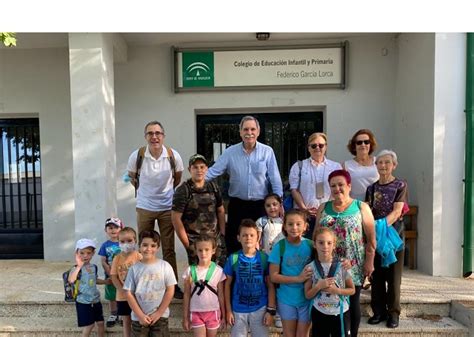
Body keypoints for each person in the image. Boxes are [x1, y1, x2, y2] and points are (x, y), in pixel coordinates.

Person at [206, 116, 283, 254]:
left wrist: (279, 203)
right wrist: (195, 180)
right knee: (235, 243)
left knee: (261, 244)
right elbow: (214, 171)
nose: (249, 132)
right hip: (237, 206)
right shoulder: (230, 152)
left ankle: (259, 274)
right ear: (240, 132)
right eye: (246, 129)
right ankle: (235, 274)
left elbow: (275, 179)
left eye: (253, 129)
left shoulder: (267, 151)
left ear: (258, 131)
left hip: (260, 206)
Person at [127, 120, 184, 299]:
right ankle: (143, 282)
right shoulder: (137, 155)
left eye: (158, 133)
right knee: (144, 247)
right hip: (144, 207)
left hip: (167, 208)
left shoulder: (173, 155)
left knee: (168, 248)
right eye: (150, 133)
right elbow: (132, 177)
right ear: (145, 136)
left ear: (163, 135)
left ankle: (172, 285)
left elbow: (178, 178)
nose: (154, 136)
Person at [315, 169, 376, 337]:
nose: (337, 189)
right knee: (328, 300)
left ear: (349, 186)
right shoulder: (324, 207)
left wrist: (369, 262)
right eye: (333, 186)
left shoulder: (361, 207)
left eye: (341, 184)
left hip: (352, 264)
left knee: (352, 301)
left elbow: (371, 239)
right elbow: (315, 235)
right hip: (327, 264)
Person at [365, 150, 408, 329]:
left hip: (393, 236)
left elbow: (397, 211)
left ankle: (393, 313)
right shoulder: (371, 188)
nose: (383, 166)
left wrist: (379, 227)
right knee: (376, 275)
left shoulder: (400, 185)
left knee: (393, 276)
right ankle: (378, 311)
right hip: (375, 236)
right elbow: (366, 211)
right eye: (380, 163)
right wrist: (371, 231)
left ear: (394, 165)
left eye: (387, 163)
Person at [224, 219, 276, 337]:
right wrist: (228, 310)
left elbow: (270, 285)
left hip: (260, 309)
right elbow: (226, 285)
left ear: (257, 237)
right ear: (239, 238)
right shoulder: (233, 258)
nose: (248, 238)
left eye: (252, 235)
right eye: (244, 235)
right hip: (238, 309)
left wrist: (270, 310)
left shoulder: (264, 258)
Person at [172, 154, 227, 267]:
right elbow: (176, 218)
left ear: (206, 169)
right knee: (198, 278)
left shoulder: (213, 187)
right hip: (195, 243)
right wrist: (187, 244)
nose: (199, 170)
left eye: (202, 167)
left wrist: (222, 234)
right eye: (195, 167)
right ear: (189, 169)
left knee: (219, 274)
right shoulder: (183, 190)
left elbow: (221, 211)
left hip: (214, 241)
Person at [124, 230, 177, 337]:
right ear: (139, 246)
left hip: (160, 318)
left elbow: (170, 290)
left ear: (158, 247)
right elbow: (129, 293)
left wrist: (159, 313)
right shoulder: (134, 269)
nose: (148, 249)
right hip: (138, 319)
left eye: (153, 245)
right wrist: (140, 315)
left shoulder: (165, 266)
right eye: (145, 245)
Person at [269, 209, 313, 337]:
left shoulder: (311, 246)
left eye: (298, 224)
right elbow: (273, 276)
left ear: (305, 226)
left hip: (306, 299)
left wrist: (345, 263)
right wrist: (298, 279)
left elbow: (327, 258)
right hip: (286, 299)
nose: (294, 227)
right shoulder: (280, 247)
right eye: (290, 224)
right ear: (285, 226)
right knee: (289, 334)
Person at [289, 132, 342, 238]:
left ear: (326, 147)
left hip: (328, 215)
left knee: (326, 248)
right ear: (308, 148)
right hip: (304, 217)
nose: (317, 148)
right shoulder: (299, 166)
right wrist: (304, 210)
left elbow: (338, 190)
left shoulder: (336, 167)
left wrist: (326, 208)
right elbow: (294, 190)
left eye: (321, 145)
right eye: (313, 146)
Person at [304, 227, 355, 337]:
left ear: (334, 245)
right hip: (319, 312)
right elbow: (308, 295)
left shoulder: (343, 266)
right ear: (314, 244)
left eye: (329, 243)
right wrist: (318, 286)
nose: (325, 246)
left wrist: (336, 290)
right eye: (321, 243)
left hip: (340, 313)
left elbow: (352, 290)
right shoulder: (310, 268)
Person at [182, 235, 226, 337]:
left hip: (213, 311)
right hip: (196, 312)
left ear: (213, 250)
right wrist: (185, 317)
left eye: (207, 250)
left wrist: (224, 315)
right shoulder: (190, 271)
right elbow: (187, 295)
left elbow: (221, 295)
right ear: (196, 251)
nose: (203, 253)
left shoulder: (218, 271)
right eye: (200, 250)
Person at [68, 238, 108, 337]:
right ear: (77, 253)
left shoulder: (93, 267)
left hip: (95, 300)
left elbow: (94, 280)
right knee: (89, 325)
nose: (85, 256)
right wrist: (78, 266)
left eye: (88, 253)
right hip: (83, 302)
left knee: (100, 323)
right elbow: (71, 280)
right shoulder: (76, 268)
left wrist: (106, 282)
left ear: (93, 253)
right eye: (82, 253)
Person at [110, 227, 142, 337]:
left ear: (135, 241)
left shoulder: (139, 256)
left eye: (129, 241)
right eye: (122, 241)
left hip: (137, 295)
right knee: (126, 321)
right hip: (122, 296)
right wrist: (122, 290)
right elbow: (114, 276)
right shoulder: (117, 258)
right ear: (118, 242)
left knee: (138, 319)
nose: (126, 244)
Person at [98, 217, 123, 328]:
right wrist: (110, 272)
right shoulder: (105, 245)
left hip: (123, 275)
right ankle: (113, 314)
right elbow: (103, 260)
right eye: (110, 228)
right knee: (112, 295)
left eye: (116, 227)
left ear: (121, 229)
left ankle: (122, 313)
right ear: (106, 230)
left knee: (123, 293)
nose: (113, 230)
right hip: (110, 274)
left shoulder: (124, 243)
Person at [343, 129, 379, 201]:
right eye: (359, 142)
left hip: (376, 204)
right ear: (354, 146)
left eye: (366, 142)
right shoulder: (346, 165)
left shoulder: (378, 161)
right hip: (355, 206)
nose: (363, 145)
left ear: (370, 144)